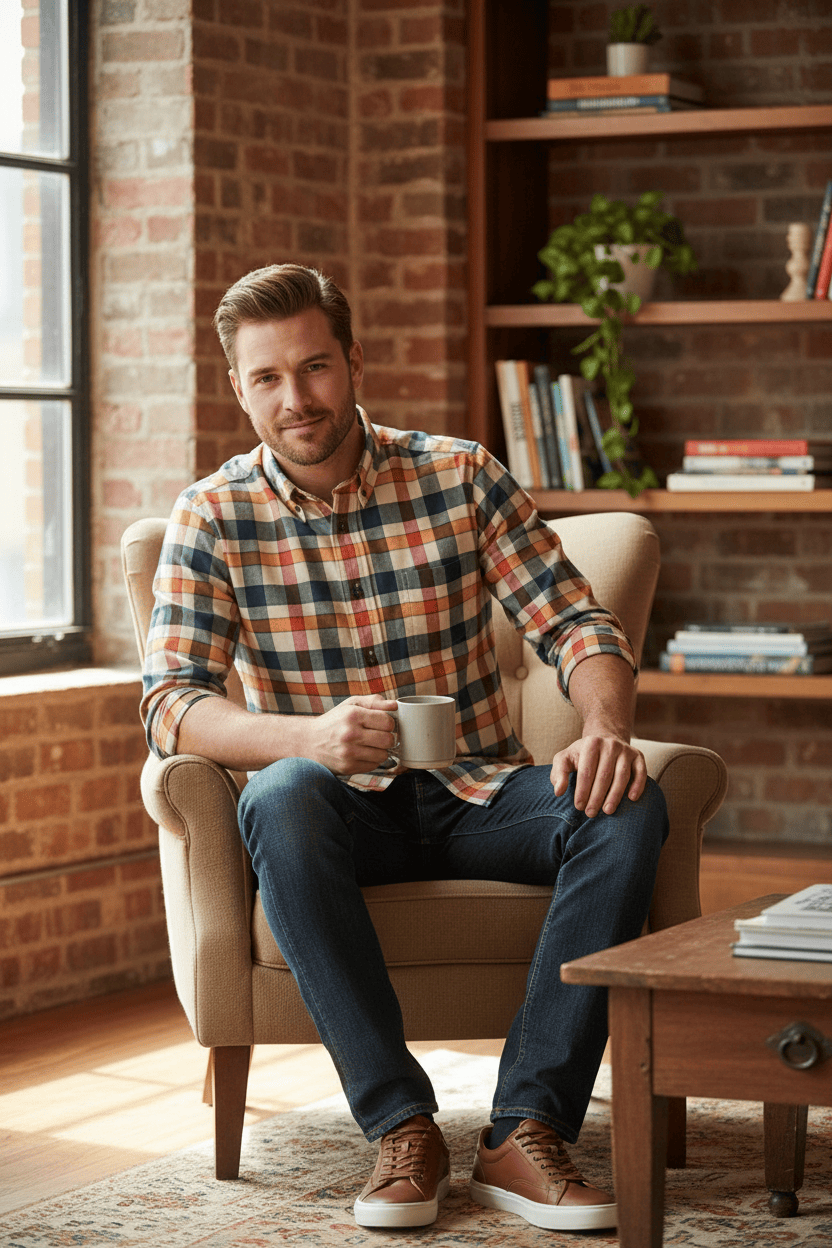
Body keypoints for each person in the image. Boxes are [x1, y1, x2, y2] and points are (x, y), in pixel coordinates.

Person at [141, 263, 668, 1233]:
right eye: (267, 379)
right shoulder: (211, 516)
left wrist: (604, 727)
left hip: (480, 794)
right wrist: (308, 737)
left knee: (627, 798)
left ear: (352, 361)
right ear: (239, 388)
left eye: (314, 368)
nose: (295, 399)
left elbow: (575, 627)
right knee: (277, 795)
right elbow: (172, 703)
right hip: (334, 814)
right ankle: (400, 1126)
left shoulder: (458, 476)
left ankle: (525, 1129)